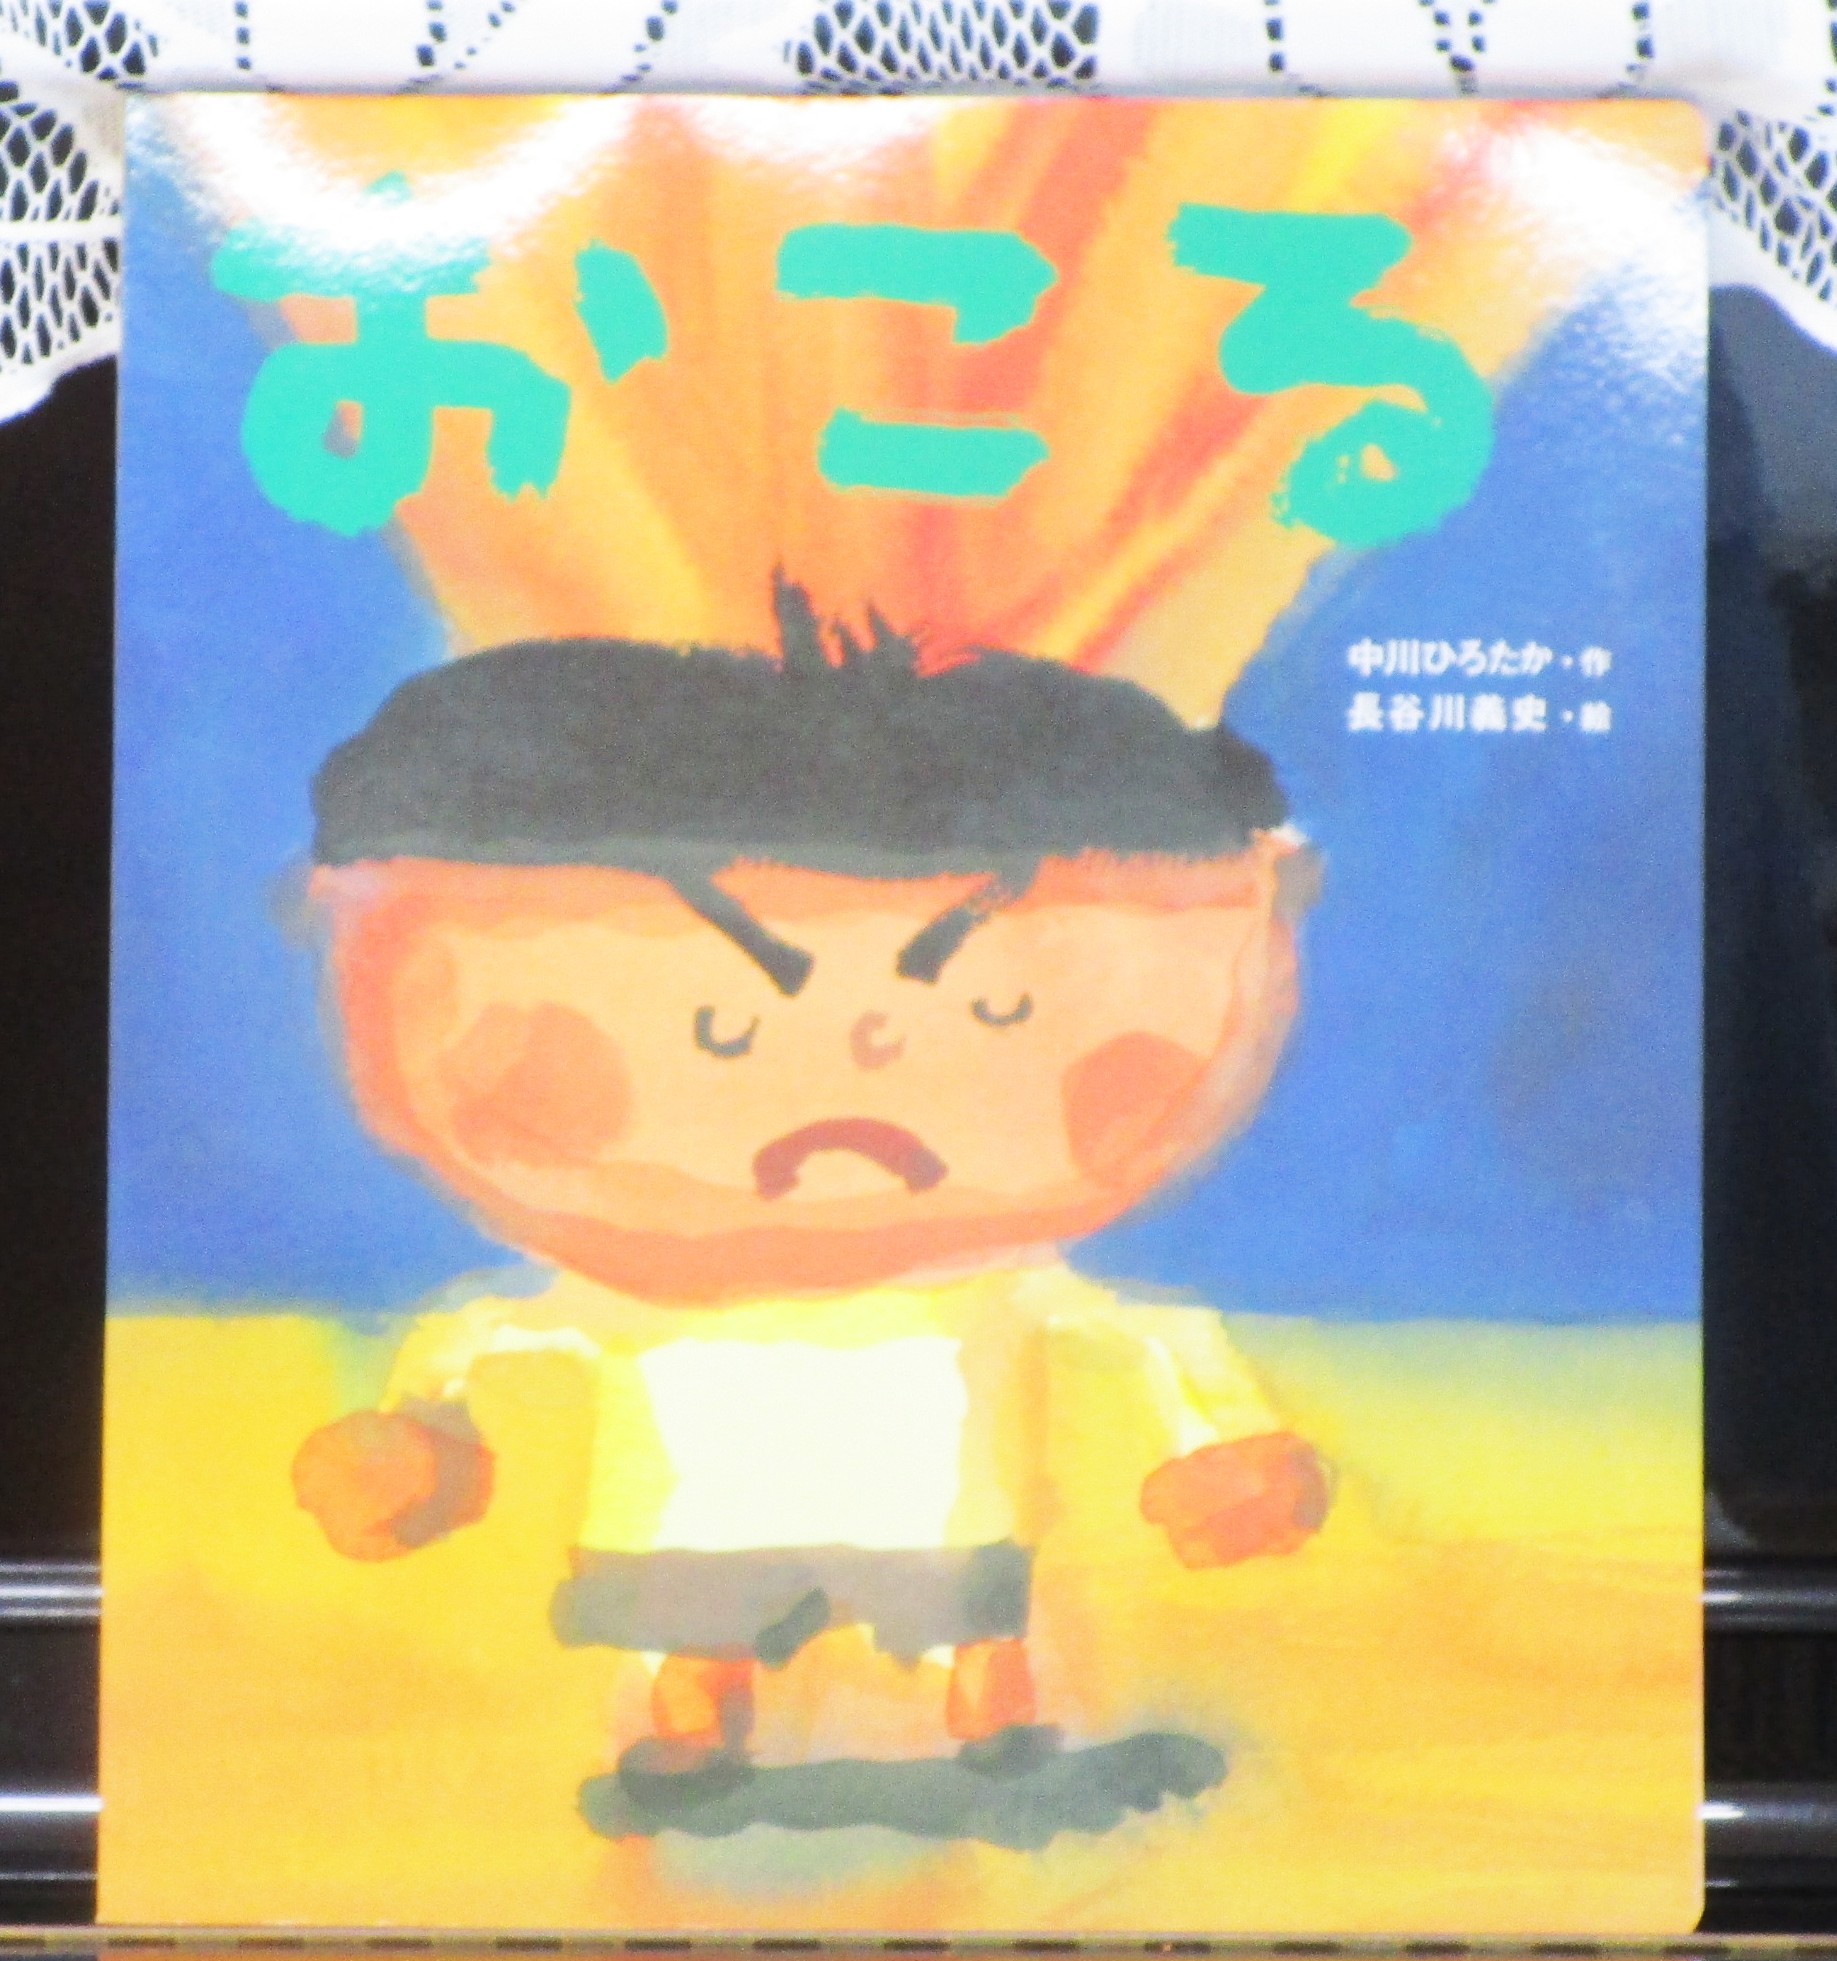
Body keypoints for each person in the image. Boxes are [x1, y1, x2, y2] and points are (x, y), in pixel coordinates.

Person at [290, 579, 1331, 1836]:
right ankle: (702, 1732)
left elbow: (1149, 1338)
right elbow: (478, 1340)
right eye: (719, 1027)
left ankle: (982, 1722)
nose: (866, 1058)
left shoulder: (976, 1277)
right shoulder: (650, 1289)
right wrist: (414, 1435)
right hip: (704, 1514)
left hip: (926, 1511)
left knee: (961, 1611)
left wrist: (1227, 1443)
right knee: (707, 1620)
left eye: (994, 1009)